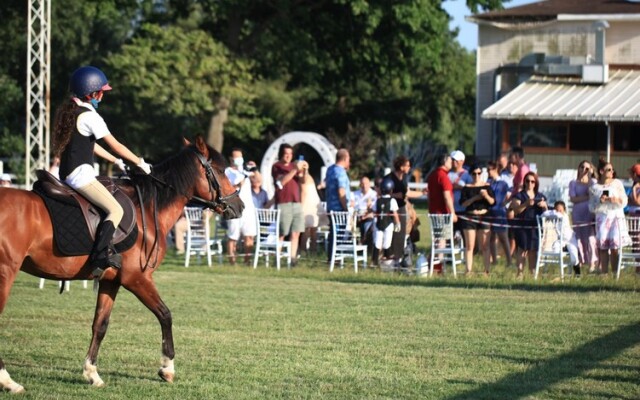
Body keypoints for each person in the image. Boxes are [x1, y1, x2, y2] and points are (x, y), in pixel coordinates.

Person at [52, 66, 151, 279]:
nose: (103, 95)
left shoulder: (71, 111)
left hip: (67, 173)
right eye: (102, 91)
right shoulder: (90, 116)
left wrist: (114, 160)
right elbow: (115, 144)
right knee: (116, 210)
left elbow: (90, 144)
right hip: (81, 175)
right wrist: (139, 162)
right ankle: (99, 256)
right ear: (92, 93)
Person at [589, 160, 630, 274]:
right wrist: (600, 202)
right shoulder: (594, 187)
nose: (612, 172)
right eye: (609, 170)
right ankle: (604, 273)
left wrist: (615, 200)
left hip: (615, 218)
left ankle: (615, 274)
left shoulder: (617, 183)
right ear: (601, 171)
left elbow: (625, 201)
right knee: (603, 248)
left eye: (612, 169)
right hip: (602, 219)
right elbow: (591, 207)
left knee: (615, 248)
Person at [384, 155, 426, 262]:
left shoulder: (404, 179)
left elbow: (407, 193)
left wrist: (423, 193)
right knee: (391, 233)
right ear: (401, 166)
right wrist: (394, 195)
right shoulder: (389, 178)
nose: (409, 167)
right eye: (407, 165)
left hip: (401, 208)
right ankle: (389, 256)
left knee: (401, 234)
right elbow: (382, 193)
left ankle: (398, 257)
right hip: (391, 209)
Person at [272, 143, 307, 266]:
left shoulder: (294, 166)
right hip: (284, 203)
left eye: (290, 154)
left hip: (296, 203)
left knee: (296, 232)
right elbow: (282, 182)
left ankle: (292, 260)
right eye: (286, 154)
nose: (288, 156)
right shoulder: (277, 167)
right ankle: (278, 259)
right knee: (282, 233)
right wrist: (294, 169)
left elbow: (303, 181)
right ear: (281, 154)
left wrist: (305, 170)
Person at [510, 172, 548, 279]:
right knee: (522, 250)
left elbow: (547, 214)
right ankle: (520, 273)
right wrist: (526, 204)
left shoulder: (540, 196)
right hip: (522, 226)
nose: (530, 183)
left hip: (536, 227)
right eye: (527, 181)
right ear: (524, 182)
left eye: (532, 181)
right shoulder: (519, 195)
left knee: (533, 251)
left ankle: (532, 274)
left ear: (535, 183)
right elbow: (516, 210)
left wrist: (544, 206)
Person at [459, 164, 495, 276]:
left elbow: (493, 202)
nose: (476, 176)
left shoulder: (487, 187)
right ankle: (468, 270)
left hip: (484, 216)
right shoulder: (466, 188)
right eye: (474, 173)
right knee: (470, 246)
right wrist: (475, 198)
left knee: (485, 245)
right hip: (470, 217)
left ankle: (486, 271)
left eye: (479, 173)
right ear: (470, 174)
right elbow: (463, 203)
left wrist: (486, 196)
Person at [224, 148, 257, 265]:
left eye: (240, 157)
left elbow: (257, 181)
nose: (239, 160)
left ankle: (247, 261)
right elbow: (236, 183)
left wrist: (255, 169)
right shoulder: (228, 171)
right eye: (236, 157)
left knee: (249, 236)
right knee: (233, 236)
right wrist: (244, 174)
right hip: (234, 208)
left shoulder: (245, 170)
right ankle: (232, 263)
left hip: (248, 209)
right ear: (231, 159)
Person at [427, 153, 457, 273]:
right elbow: (447, 197)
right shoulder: (443, 176)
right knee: (441, 242)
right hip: (442, 214)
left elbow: (429, 195)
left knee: (437, 240)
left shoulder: (432, 175)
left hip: (434, 213)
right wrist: (452, 213)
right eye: (450, 161)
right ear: (445, 162)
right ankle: (436, 268)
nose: (452, 163)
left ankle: (434, 265)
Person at [569, 160, 598, 273]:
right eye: (582, 167)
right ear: (578, 168)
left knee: (590, 238)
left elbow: (595, 191)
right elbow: (573, 199)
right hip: (577, 213)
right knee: (579, 238)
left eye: (587, 168)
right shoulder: (573, 183)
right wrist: (587, 197)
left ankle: (592, 263)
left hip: (589, 213)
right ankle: (580, 261)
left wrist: (591, 175)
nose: (584, 170)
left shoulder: (592, 182)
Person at [541, 201, 581, 276]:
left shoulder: (564, 216)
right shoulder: (555, 215)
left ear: (564, 210)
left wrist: (551, 211)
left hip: (570, 239)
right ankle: (553, 271)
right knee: (555, 249)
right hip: (560, 240)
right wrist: (549, 210)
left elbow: (556, 214)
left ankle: (577, 273)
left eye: (561, 210)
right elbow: (543, 214)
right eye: (557, 210)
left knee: (574, 258)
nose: (559, 212)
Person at [325, 149, 351, 260]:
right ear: (345, 159)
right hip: (339, 208)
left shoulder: (330, 170)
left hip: (330, 206)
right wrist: (345, 208)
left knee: (333, 234)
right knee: (338, 235)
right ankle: (335, 258)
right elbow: (341, 191)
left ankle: (331, 258)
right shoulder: (341, 172)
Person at [486, 161, 512, 268]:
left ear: (495, 170)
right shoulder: (489, 181)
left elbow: (497, 199)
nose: (487, 172)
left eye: (489, 170)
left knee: (503, 237)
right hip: (490, 212)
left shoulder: (502, 184)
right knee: (491, 237)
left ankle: (509, 261)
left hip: (499, 213)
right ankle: (494, 260)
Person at [373, 178, 400, 265]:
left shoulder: (377, 200)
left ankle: (375, 261)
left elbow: (374, 211)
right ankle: (388, 258)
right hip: (388, 224)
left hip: (378, 224)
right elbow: (395, 214)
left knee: (377, 243)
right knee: (387, 242)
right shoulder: (392, 201)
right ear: (391, 190)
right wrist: (398, 223)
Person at [448, 150, 472, 237]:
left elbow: (472, 188)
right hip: (450, 209)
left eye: (456, 160)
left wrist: (463, 187)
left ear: (462, 161)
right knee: (450, 234)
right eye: (453, 160)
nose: (454, 162)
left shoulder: (467, 175)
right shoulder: (447, 174)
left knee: (464, 234)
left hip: (463, 209)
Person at [353, 176, 378, 251]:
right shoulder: (355, 194)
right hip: (355, 216)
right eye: (362, 184)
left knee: (368, 222)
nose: (364, 185)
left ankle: (363, 242)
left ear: (369, 184)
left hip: (368, 216)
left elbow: (375, 210)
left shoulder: (374, 194)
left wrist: (366, 213)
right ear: (360, 185)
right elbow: (352, 206)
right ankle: (347, 242)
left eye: (366, 183)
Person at [300, 172, 322, 255]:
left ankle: (303, 251)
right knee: (313, 229)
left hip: (307, 203)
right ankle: (313, 251)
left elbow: (304, 192)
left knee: (306, 229)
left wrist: (300, 206)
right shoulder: (309, 177)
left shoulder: (303, 177)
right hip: (314, 203)